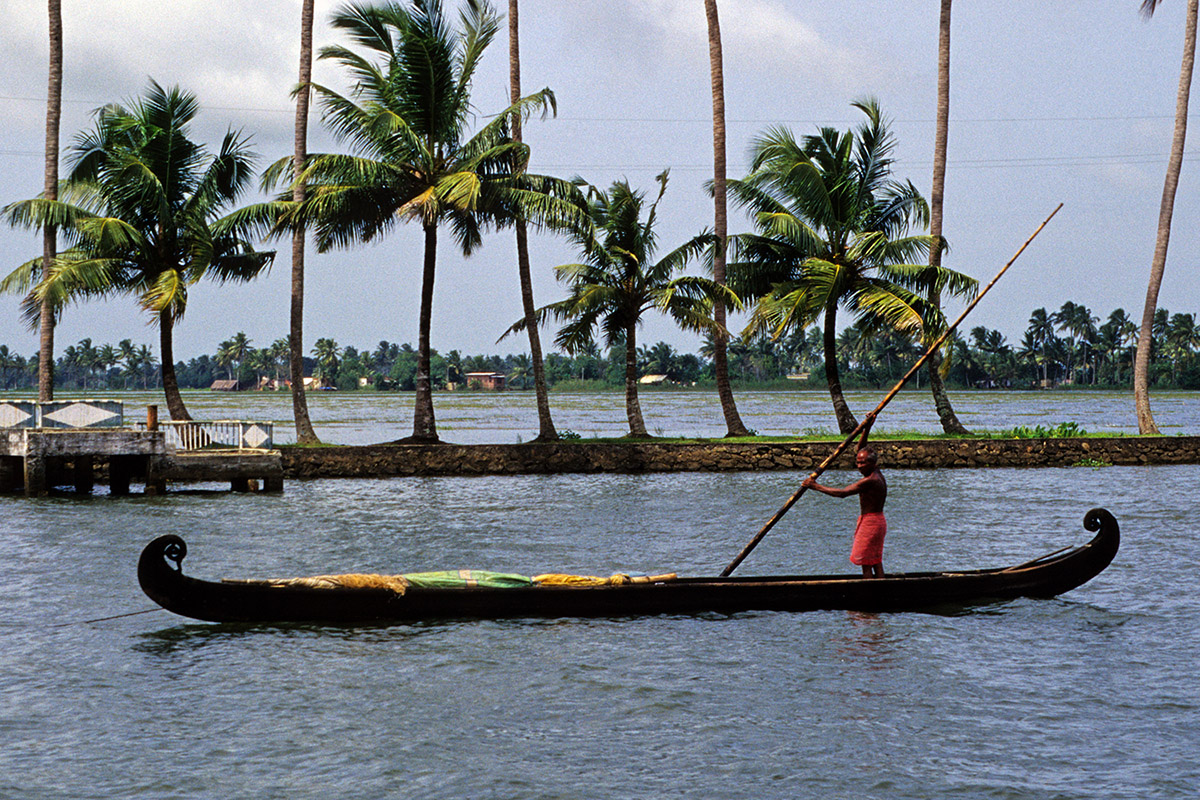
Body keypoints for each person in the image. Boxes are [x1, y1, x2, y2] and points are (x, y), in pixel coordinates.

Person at [802, 417, 887, 578]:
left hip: (871, 523)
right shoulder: (876, 471)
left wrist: (815, 486)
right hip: (874, 521)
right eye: (858, 463)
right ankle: (880, 590)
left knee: (866, 560)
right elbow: (861, 448)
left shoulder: (871, 480)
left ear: (872, 463)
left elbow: (842, 493)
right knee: (874, 559)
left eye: (863, 463)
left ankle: (871, 594)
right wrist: (867, 428)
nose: (859, 466)